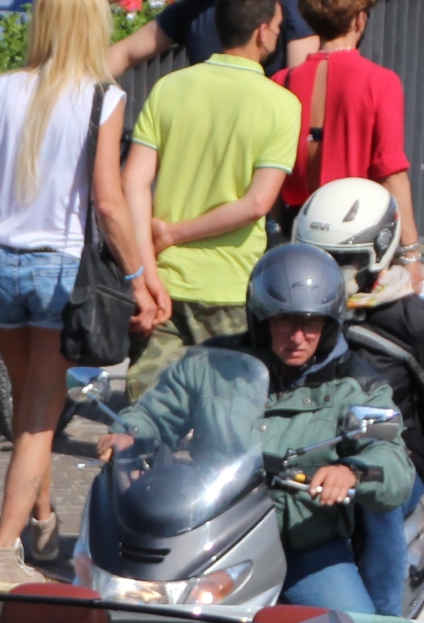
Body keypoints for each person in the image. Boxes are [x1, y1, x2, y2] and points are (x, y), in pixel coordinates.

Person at [0, 0, 155, 591]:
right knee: (37, 417)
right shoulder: (103, 99)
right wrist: (137, 277)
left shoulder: (2, 90)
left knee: (35, 403)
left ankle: (44, 521)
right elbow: (107, 202)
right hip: (60, 271)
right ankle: (3, 554)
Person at [100, 243, 413, 613]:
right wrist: (128, 433)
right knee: (138, 609)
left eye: (311, 323)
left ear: (330, 324)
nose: (298, 337)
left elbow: (392, 459)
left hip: (302, 544)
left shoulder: (356, 385)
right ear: (260, 318)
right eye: (284, 321)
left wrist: (350, 471)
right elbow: (155, 413)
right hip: (214, 537)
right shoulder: (212, 366)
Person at [119, 0, 303, 399]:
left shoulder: (169, 87)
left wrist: (147, 270)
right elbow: (257, 204)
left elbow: (132, 182)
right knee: (226, 427)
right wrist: (174, 233)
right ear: (263, 33)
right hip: (232, 288)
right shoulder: (281, 105)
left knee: (146, 420)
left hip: (163, 284)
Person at [295, 175, 424, 614]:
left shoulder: (420, 325)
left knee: (377, 499)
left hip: (389, 457)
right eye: (316, 258)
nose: (326, 274)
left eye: (342, 261)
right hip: (306, 448)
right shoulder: (289, 307)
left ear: (378, 251)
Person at [272, 0, 422, 294]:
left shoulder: (282, 81)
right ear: (359, 21)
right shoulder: (380, 82)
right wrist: (411, 254)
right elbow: (391, 173)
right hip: (358, 231)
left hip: (298, 226)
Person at [105, 0, 314, 78]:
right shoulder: (193, 9)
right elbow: (124, 53)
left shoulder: (289, 10)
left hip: (266, 137)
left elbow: (303, 87)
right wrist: (77, 81)